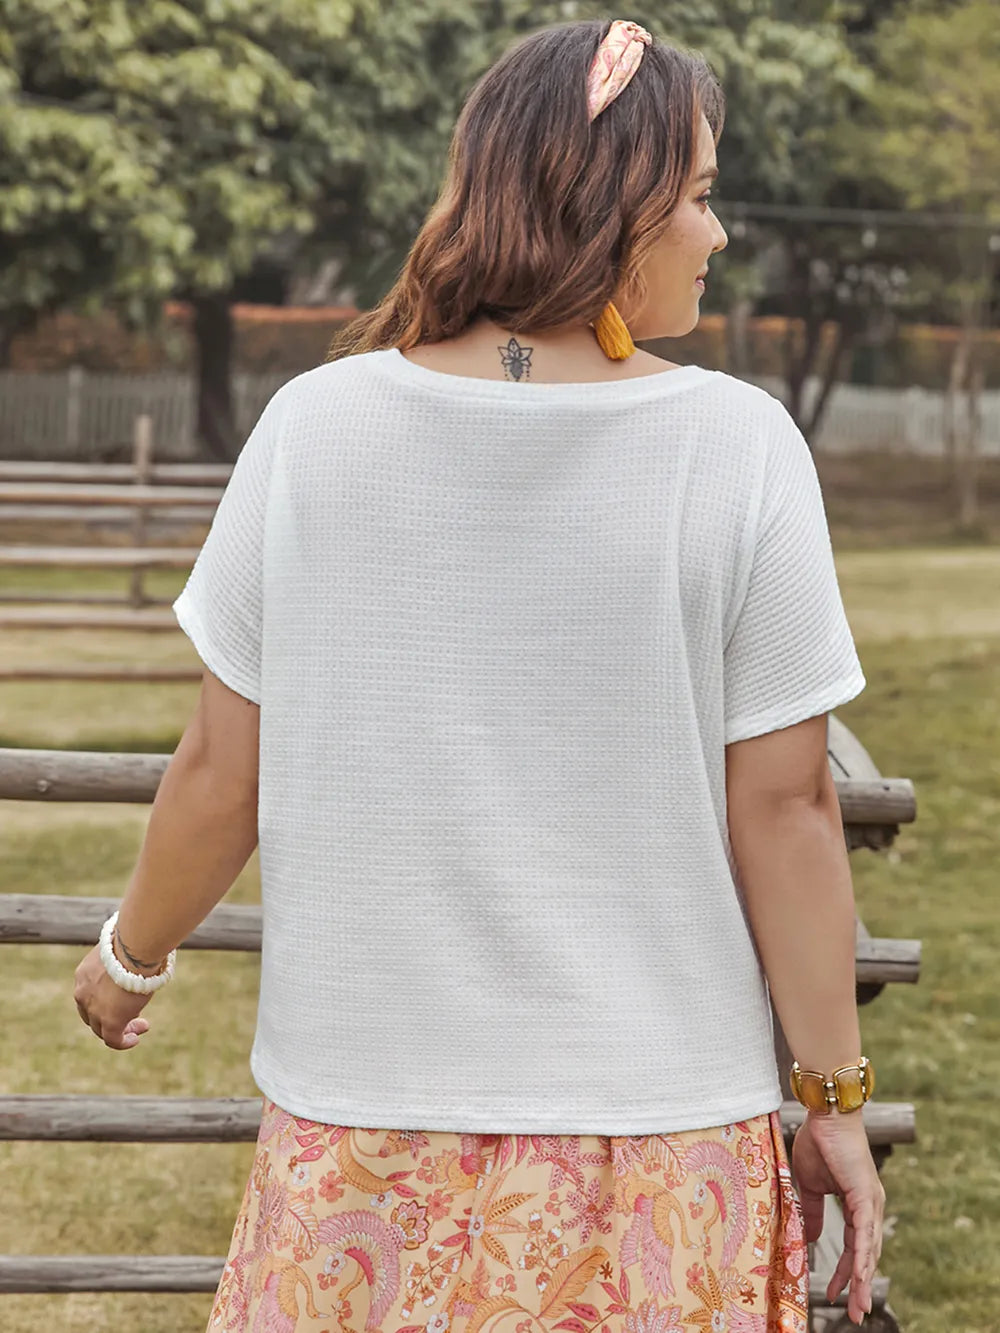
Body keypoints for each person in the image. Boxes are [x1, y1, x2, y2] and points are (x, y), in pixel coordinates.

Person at [73, 17, 885, 1332]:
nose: (718, 233)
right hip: (662, 1140)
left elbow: (225, 768)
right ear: (613, 205)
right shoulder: (741, 448)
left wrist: (131, 958)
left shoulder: (315, 427)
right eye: (697, 196)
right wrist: (835, 1098)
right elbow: (786, 808)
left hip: (360, 1142)